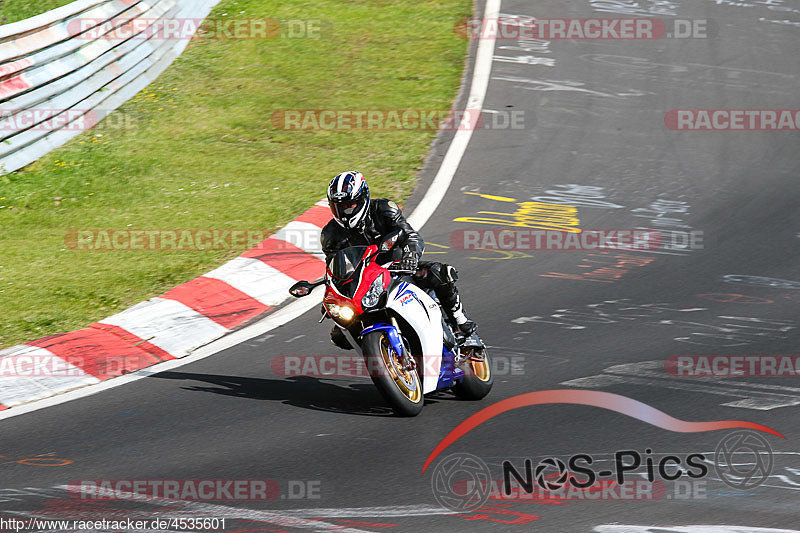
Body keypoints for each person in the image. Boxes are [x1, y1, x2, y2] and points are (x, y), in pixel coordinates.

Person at [321, 171, 477, 343]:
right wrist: (331, 295)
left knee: (439, 272)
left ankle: (459, 321)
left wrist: (410, 256)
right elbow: (333, 269)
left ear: (362, 199)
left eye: (350, 205)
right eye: (339, 207)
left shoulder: (384, 209)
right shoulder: (330, 234)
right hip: (365, 283)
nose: (345, 211)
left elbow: (411, 235)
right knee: (339, 335)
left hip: (398, 267)